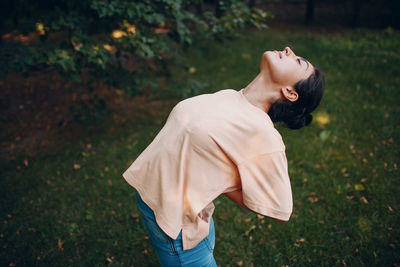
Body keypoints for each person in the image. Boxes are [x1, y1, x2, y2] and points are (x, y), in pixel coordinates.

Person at [122, 46, 325, 266]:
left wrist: (225, 184)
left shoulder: (263, 134)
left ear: (290, 93)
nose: (288, 50)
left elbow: (280, 206)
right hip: (153, 203)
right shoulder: (231, 96)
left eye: (298, 61)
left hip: (179, 233)